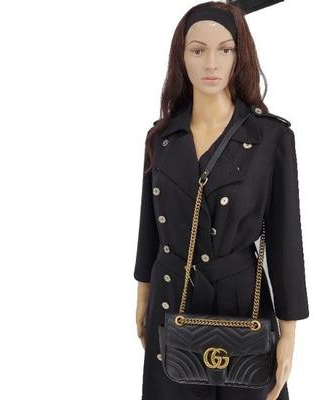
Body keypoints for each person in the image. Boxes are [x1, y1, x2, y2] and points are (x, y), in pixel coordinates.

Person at [133, 2, 309, 400]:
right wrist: (143, 293)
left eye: (225, 49)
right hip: (170, 297)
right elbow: (150, 225)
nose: (211, 62)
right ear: (181, 57)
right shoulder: (162, 137)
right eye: (197, 50)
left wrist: (289, 332)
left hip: (242, 303)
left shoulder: (271, 138)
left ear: (240, 55)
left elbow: (285, 240)